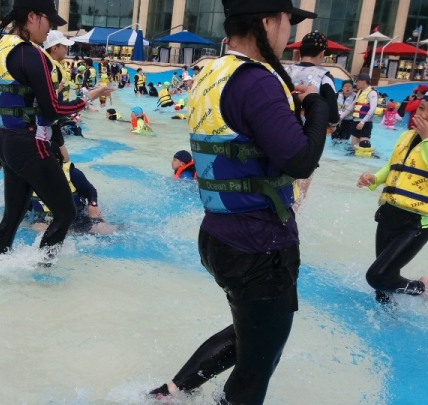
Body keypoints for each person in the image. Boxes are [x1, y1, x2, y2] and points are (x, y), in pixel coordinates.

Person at [148, 1, 327, 403]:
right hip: (259, 246)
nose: (290, 33)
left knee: (252, 331)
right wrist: (318, 107)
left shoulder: (214, 72)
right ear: (266, 21)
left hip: (220, 235)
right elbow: (300, 161)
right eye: (288, 21)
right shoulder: (258, 81)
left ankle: (167, 394)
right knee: (257, 365)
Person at [0, 0, 113, 260]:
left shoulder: (2, 46)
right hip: (29, 145)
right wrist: (88, 98)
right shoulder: (30, 53)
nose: (50, 30)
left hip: (5, 141)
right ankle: (43, 270)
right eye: (50, 21)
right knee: (65, 213)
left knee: (12, 217)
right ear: (33, 16)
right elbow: (53, 109)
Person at [357, 85, 428, 304]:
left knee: (377, 276)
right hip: (389, 213)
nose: (423, 114)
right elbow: (394, 167)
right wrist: (374, 178)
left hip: (417, 223)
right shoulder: (407, 136)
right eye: (421, 108)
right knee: (383, 288)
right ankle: (387, 319)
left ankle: (421, 288)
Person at [30, 143, 116, 235]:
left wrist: (93, 205)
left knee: (104, 230)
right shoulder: (29, 177)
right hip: (44, 220)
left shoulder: (72, 173)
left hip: (77, 217)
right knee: (40, 228)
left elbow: (90, 190)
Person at [284, 30, 340, 129]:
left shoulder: (284, 71)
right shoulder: (324, 78)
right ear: (322, 53)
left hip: (282, 127)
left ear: (300, 52)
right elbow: (333, 118)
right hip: (309, 133)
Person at [340, 73, 377, 148]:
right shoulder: (359, 92)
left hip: (365, 123)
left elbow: (372, 109)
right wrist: (341, 117)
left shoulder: (372, 93)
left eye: (357, 81)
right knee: (354, 146)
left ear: (363, 82)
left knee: (364, 145)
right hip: (355, 121)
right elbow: (351, 106)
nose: (356, 83)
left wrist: (363, 122)